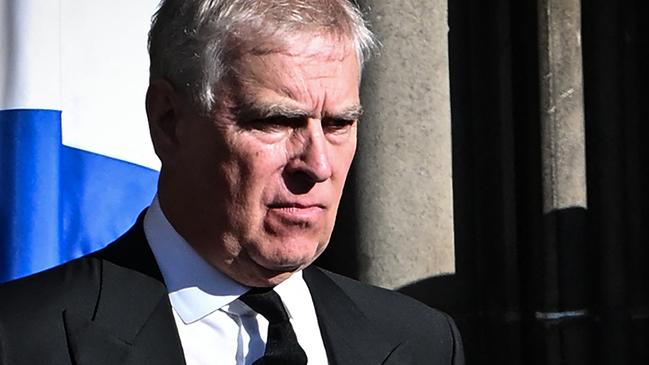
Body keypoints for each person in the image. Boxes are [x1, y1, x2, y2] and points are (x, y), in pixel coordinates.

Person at [0, 1, 464, 364]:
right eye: (276, 121)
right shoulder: (22, 338)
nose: (318, 164)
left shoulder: (421, 343)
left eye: (339, 124)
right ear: (168, 121)